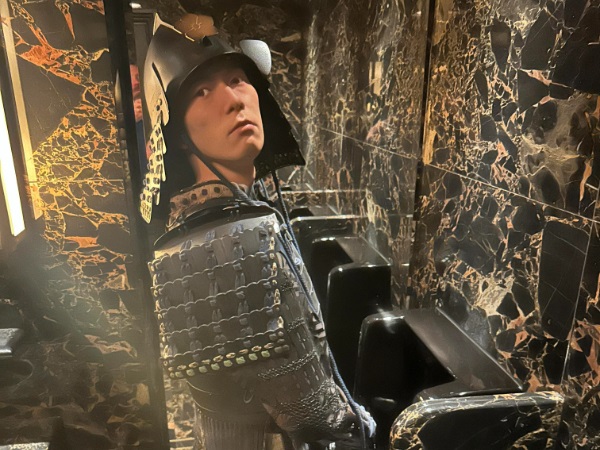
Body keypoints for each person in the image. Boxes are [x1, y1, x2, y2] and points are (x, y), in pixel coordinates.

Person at [141, 16, 375, 450]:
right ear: (178, 134)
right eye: (202, 91)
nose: (233, 100)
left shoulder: (201, 225)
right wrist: (362, 427)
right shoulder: (236, 238)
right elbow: (311, 414)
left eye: (237, 80)